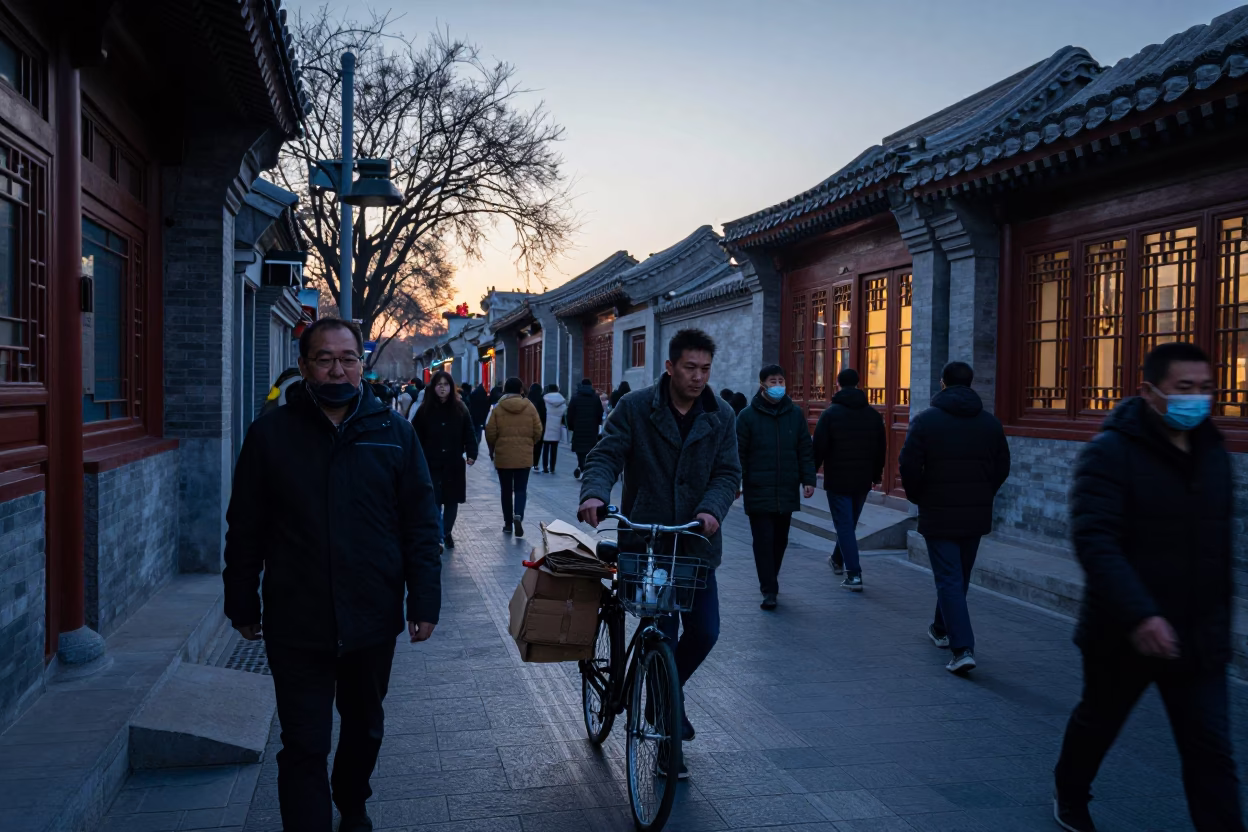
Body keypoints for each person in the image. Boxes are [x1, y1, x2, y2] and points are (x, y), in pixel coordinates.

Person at [222, 318, 442, 832]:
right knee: (304, 742)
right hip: (296, 617)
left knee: (365, 729)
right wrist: (241, 601)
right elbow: (245, 525)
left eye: (348, 358)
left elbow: (419, 522)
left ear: (362, 365)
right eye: (325, 359)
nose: (338, 368)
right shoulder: (271, 434)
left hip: (371, 615)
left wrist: (423, 601)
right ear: (304, 367)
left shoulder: (393, 433)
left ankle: (352, 802)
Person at [1053, 343, 1244, 832]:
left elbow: (1217, 550)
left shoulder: (1213, 453)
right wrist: (1141, 615)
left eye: (1205, 390)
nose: (1196, 400)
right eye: (1184, 389)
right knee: (1099, 723)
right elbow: (1095, 540)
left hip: (1197, 638)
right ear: (1150, 391)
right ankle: (1071, 793)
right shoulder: (1111, 452)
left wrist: (1219, 624)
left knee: (1211, 752)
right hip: (1124, 632)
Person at [578, 329, 741, 779]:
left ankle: (660, 695)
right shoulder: (636, 408)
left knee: (706, 631)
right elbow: (605, 454)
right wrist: (594, 493)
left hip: (694, 544)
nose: (698, 377)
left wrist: (712, 508)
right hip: (647, 544)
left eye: (705, 369)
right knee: (662, 636)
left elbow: (728, 471)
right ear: (669, 367)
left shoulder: (720, 414)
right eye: (690, 368)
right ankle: (670, 746)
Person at [899, 361, 1010, 675]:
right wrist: (983, 493)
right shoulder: (990, 424)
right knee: (957, 576)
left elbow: (908, 465)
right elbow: (1002, 466)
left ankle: (962, 648)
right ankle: (940, 627)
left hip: (939, 510)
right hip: (975, 512)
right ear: (971, 383)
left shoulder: (925, 421)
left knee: (949, 577)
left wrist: (918, 495)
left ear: (942, 383)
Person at [736, 364, 816, 609]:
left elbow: (804, 449)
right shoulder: (747, 417)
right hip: (758, 489)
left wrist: (808, 479)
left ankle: (771, 579)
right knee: (763, 540)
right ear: (762, 384)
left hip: (786, 488)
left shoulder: (794, 414)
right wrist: (737, 481)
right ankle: (769, 589)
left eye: (781, 381)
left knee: (780, 541)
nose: (778, 386)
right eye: (773, 381)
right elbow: (739, 453)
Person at [812, 368, 887, 592]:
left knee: (845, 525)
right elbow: (880, 448)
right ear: (859, 384)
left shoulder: (831, 414)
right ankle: (837, 559)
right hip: (863, 479)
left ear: (837, 384)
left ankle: (854, 574)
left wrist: (809, 475)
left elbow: (818, 448)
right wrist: (877, 475)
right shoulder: (873, 416)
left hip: (838, 479)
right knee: (849, 524)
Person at [411, 370, 477, 550]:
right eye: (439, 384)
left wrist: (471, 453)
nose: (442, 388)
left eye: (446, 384)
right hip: (431, 462)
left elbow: (469, 432)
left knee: (451, 501)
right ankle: (439, 536)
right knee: (434, 501)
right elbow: (414, 436)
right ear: (433, 387)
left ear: (451, 387)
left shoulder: (460, 408)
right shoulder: (425, 410)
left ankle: (445, 532)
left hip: (453, 463)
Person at [485, 377, 544, 537]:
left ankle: (507, 524)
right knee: (520, 488)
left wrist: (493, 448)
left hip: (504, 456)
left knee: (505, 490)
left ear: (504, 390)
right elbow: (538, 430)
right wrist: (530, 443)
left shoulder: (498, 408)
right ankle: (518, 514)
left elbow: (490, 431)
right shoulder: (530, 406)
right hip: (524, 456)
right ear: (521, 390)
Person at [566, 377, 604, 480]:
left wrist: (571, 426)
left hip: (578, 428)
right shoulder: (596, 398)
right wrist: (598, 423)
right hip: (592, 429)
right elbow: (600, 413)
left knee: (580, 450)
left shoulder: (575, 398)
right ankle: (587, 468)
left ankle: (581, 467)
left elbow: (570, 414)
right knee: (590, 449)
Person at [541, 383, 567, 474]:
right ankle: (552, 467)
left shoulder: (544, 399)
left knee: (545, 448)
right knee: (554, 448)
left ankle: (545, 467)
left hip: (546, 425)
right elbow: (564, 413)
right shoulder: (562, 400)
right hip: (557, 426)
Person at [528, 382, 548, 472]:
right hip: (538, 425)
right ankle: (535, 464)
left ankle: (528, 461)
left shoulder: (527, 399)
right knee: (538, 445)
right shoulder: (541, 400)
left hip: (527, 425)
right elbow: (544, 415)